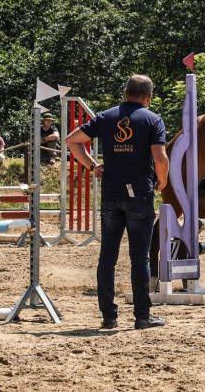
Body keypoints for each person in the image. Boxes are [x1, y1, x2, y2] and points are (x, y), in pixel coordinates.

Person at [65, 74, 168, 330]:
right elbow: (160, 157)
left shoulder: (105, 117)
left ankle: (109, 316)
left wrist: (92, 166)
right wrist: (162, 181)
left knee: (107, 258)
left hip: (111, 193)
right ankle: (142, 317)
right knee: (139, 258)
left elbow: (71, 140)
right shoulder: (153, 119)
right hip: (140, 194)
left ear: (125, 93)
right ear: (149, 97)